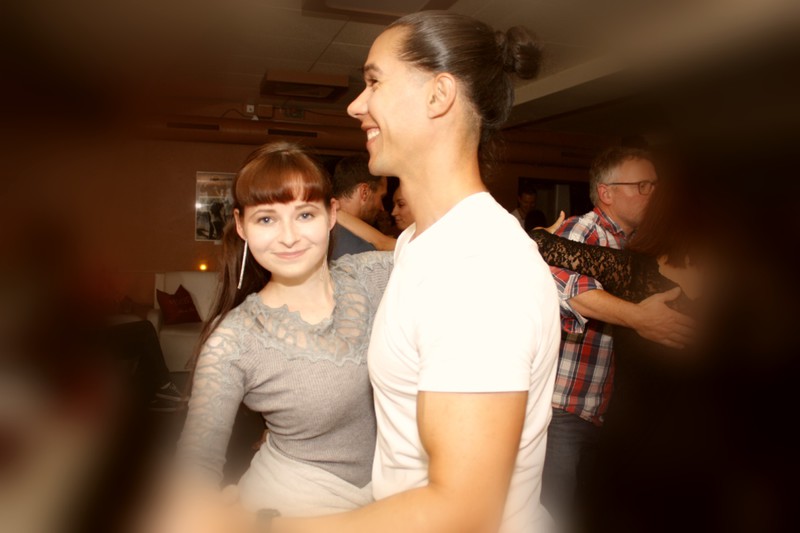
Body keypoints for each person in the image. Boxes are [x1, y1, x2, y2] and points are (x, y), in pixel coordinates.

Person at [144, 11, 560, 533]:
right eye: (267, 218)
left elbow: (462, 514)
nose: (355, 104)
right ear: (242, 227)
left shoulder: (475, 270)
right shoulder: (416, 246)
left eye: (374, 82)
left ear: (438, 95)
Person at [167, 142, 393, 518]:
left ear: (332, 214)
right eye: (266, 219)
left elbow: (457, 250)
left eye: (304, 214)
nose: (288, 237)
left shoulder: (372, 277)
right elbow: (196, 465)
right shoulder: (234, 339)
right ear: (242, 226)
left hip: (394, 498)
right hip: (289, 509)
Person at [540, 146, 695, 530]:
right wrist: (638, 318)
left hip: (609, 411)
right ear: (606, 192)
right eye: (642, 185)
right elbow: (566, 287)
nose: (651, 193)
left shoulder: (641, 247)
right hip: (567, 406)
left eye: (655, 185)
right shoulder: (584, 230)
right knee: (555, 514)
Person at [329, 153, 388, 259]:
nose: (382, 208)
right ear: (364, 192)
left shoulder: (320, 229)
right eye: (381, 197)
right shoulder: (363, 251)